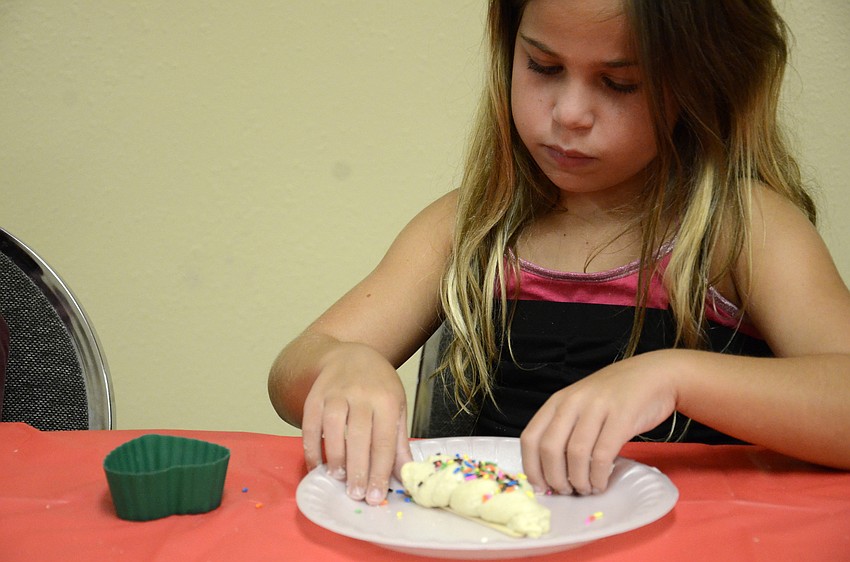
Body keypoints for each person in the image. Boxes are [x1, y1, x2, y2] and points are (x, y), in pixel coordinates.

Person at [268, 0, 850, 506]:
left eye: (621, 83)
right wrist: (341, 365)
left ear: (702, 81)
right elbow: (292, 373)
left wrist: (674, 377)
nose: (570, 113)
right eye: (544, 67)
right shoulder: (467, 227)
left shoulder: (741, 228)